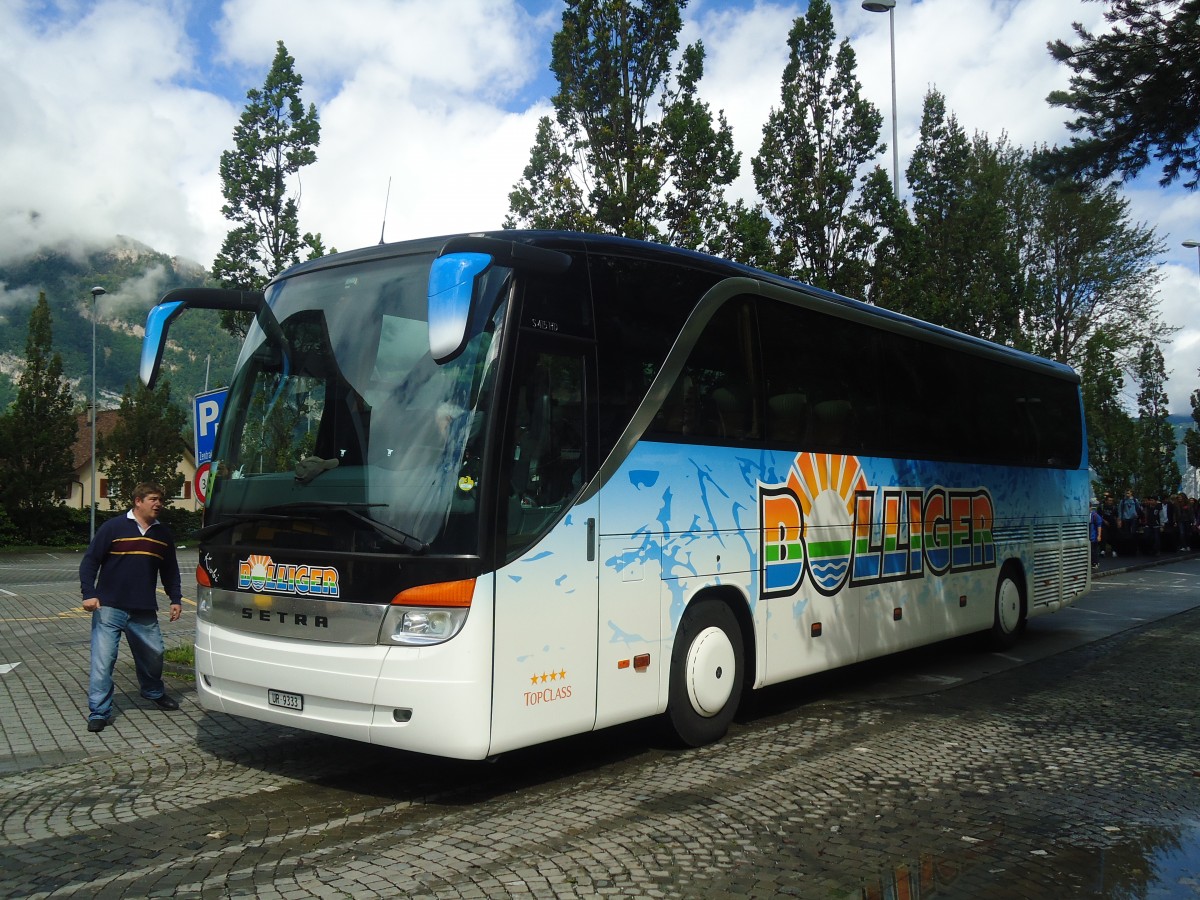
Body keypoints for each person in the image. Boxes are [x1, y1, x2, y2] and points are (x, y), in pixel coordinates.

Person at [79, 482, 183, 733]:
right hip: (109, 607)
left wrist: (175, 598)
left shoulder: (163, 535)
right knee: (103, 662)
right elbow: (90, 561)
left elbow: (170, 570)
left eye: (160, 500)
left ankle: (152, 691)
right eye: (153, 499)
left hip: (143, 609)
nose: (158, 504)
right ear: (138, 501)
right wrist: (89, 594)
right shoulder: (113, 527)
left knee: (155, 654)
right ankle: (99, 712)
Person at [1089, 504, 1104, 569]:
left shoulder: (1095, 515)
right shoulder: (1086, 515)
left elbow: (1099, 526)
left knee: (1094, 551)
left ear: (1090, 507)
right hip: (1089, 537)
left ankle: (1095, 563)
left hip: (1093, 537)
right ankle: (1093, 563)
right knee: (1091, 550)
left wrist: (1099, 536)